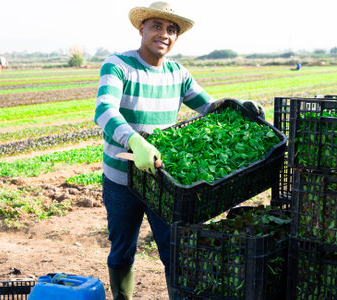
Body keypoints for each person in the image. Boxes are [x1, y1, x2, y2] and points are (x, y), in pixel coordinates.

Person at [94, 2, 263, 299]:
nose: (164, 34)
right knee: (121, 251)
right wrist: (135, 141)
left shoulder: (177, 73)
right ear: (141, 28)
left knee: (176, 253)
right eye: (157, 26)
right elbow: (104, 110)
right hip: (121, 178)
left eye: (171, 29)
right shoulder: (118, 65)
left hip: (164, 182)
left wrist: (237, 106)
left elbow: (210, 108)